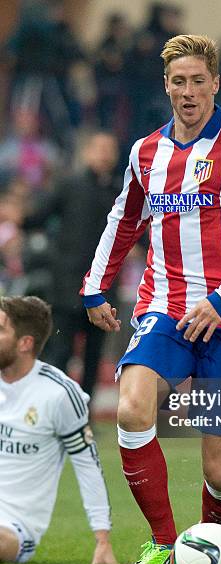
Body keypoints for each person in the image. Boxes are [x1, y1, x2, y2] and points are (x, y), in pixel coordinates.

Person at [81, 35, 221, 564]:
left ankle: (207, 550)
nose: (189, 91)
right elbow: (123, 220)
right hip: (164, 309)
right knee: (130, 408)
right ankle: (161, 541)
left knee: (220, 472)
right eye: (179, 81)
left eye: (199, 80)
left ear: (216, 84)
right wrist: (97, 284)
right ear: (167, 87)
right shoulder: (144, 152)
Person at [0, 296, 117, 564]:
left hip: (14, 528)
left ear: (25, 343)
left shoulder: (58, 393)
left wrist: (103, 540)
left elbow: (87, 464)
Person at [23, 132, 121, 406]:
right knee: (59, 351)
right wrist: (22, 218)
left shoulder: (119, 192)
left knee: (93, 355)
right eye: (99, 148)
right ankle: (54, 409)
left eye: (109, 149)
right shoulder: (68, 185)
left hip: (103, 290)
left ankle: (84, 414)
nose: (105, 155)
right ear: (87, 152)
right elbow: (37, 217)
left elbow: (137, 231)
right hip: (67, 286)